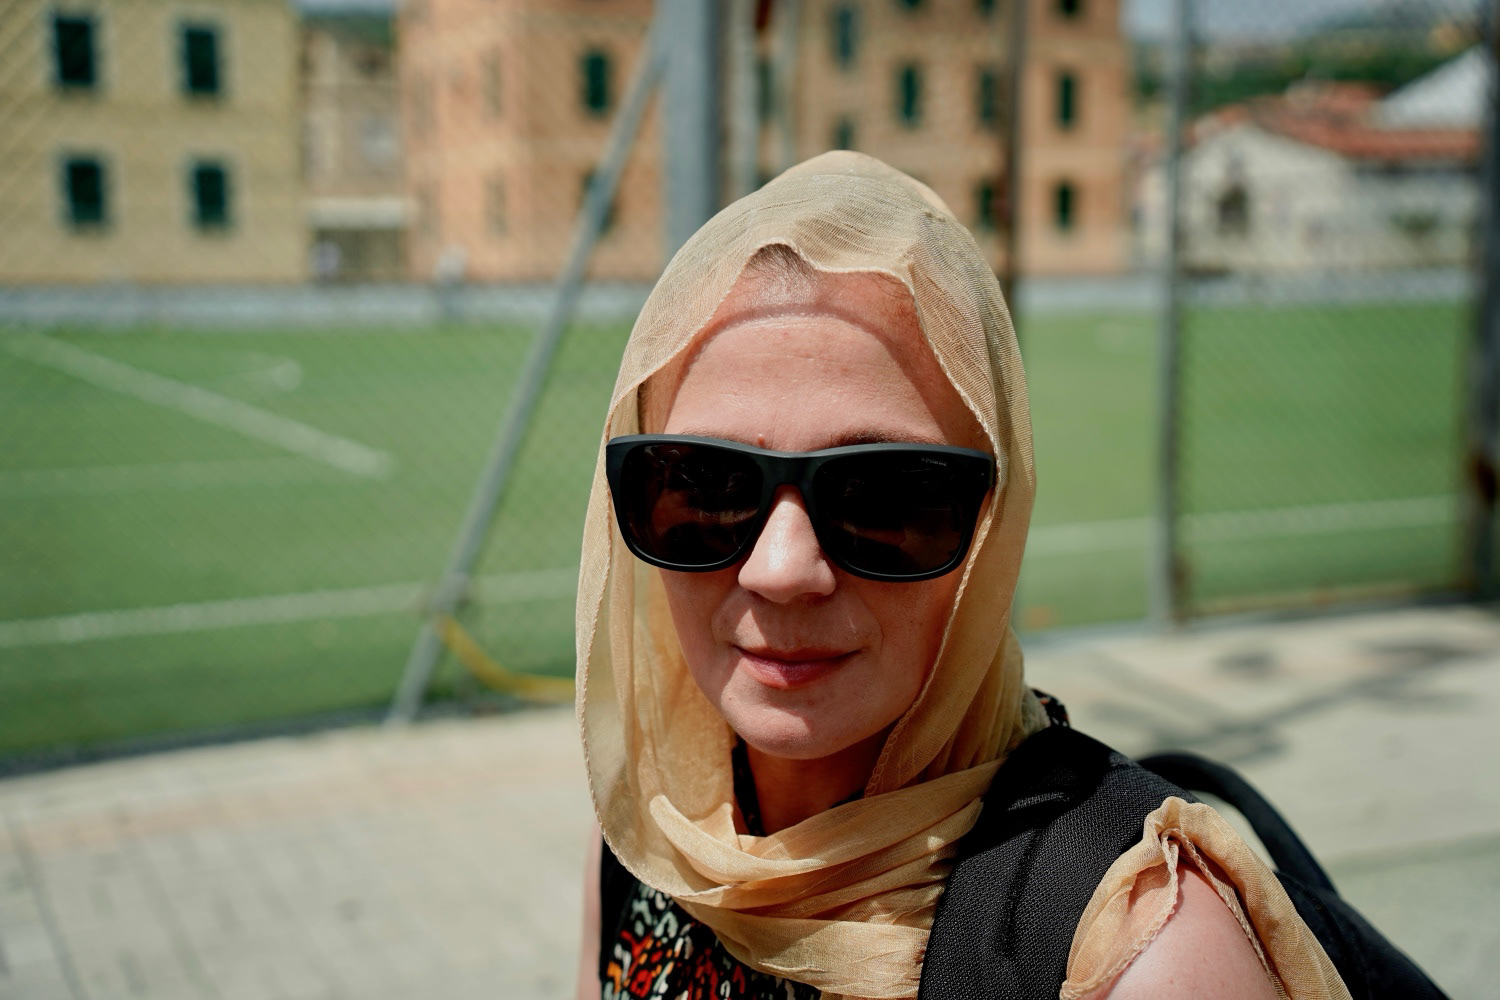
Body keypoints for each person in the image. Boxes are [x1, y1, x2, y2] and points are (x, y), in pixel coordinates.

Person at [573, 152, 1348, 1000]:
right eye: (704, 486)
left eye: (883, 494)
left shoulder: (1140, 952)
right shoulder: (659, 836)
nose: (782, 570)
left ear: (992, 528)